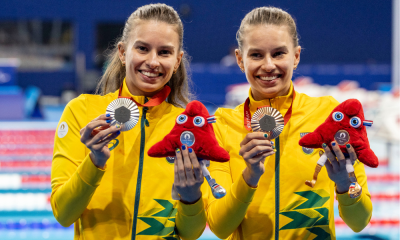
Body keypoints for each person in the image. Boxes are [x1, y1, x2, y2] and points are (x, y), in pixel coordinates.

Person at [204, 7, 372, 240]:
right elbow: (220, 228)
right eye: (256, 55)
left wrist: (346, 183)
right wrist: (249, 176)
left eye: (279, 53)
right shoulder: (221, 126)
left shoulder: (330, 115)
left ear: (296, 56)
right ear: (240, 60)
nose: (268, 65)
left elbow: (360, 222)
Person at [51, 4, 206, 240]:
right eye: (142, 48)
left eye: (164, 52)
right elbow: (63, 214)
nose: (153, 61)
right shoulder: (81, 112)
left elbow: (190, 233)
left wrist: (191, 196)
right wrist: (94, 162)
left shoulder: (189, 128)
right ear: (123, 52)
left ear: (177, 61)